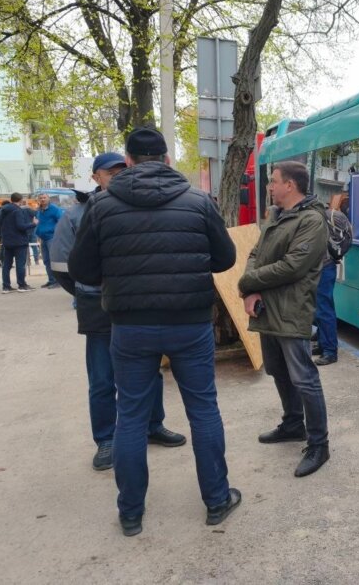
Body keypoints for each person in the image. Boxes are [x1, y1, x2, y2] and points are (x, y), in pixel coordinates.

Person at [69, 128, 239, 537]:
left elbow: (82, 269)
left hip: (130, 327)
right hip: (190, 324)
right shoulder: (198, 201)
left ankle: (131, 512)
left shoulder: (102, 205)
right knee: (203, 410)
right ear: (166, 159)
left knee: (130, 415)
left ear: (127, 161)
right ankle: (216, 500)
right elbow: (225, 259)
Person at [51, 152, 187, 473]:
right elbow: (61, 266)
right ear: (95, 177)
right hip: (98, 307)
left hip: (136, 307)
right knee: (102, 377)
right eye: (109, 173)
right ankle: (106, 439)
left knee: (149, 371)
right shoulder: (77, 214)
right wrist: (89, 289)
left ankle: (153, 425)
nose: (116, 176)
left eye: (121, 171)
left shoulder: (137, 207)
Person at [238, 160, 330, 477]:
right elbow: (255, 254)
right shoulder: (277, 216)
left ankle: (319, 444)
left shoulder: (312, 220)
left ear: (290, 185)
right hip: (267, 307)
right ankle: (293, 424)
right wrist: (250, 290)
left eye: (274, 181)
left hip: (291, 310)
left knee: (304, 377)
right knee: (277, 370)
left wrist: (247, 283)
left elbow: (293, 266)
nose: (270, 187)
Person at [312, 207, 352, 366]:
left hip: (322, 267)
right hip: (323, 266)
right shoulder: (316, 213)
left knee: (324, 309)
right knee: (321, 307)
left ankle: (330, 351)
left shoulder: (311, 216)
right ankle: (323, 344)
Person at [1, 193, 35, 293]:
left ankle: (6, 287)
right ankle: (22, 285)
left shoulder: (3, 210)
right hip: (19, 241)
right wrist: (33, 224)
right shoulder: (18, 211)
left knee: (6, 265)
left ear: (11, 199)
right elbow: (21, 226)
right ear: (20, 200)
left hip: (7, 241)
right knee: (20, 264)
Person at [36, 193, 62, 288]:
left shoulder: (54, 209)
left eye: (44, 197)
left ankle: (57, 281)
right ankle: (51, 280)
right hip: (43, 238)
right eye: (41, 198)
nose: (42, 199)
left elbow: (61, 221)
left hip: (52, 238)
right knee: (46, 260)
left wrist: (55, 232)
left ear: (48, 199)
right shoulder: (39, 210)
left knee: (53, 260)